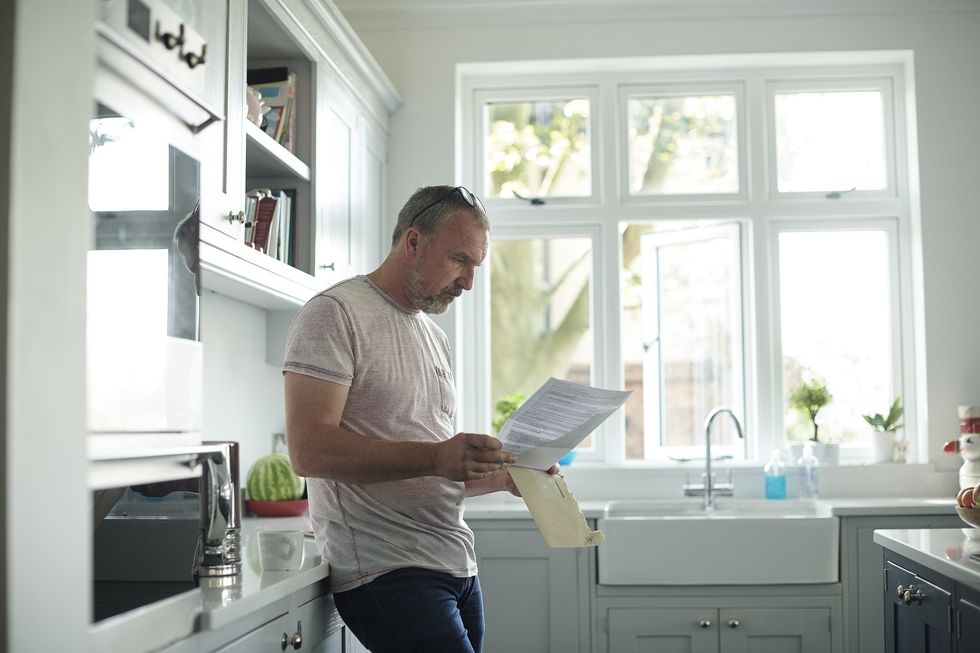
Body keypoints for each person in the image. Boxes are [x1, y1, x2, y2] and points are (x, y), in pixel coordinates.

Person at [282, 185, 546, 653]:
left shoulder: (432, 335)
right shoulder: (334, 314)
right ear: (413, 242)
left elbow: (433, 470)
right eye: (459, 260)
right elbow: (308, 450)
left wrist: (507, 477)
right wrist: (438, 456)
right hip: (388, 570)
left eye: (475, 267)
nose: (467, 282)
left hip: (457, 565)